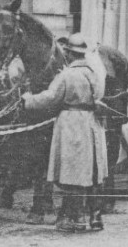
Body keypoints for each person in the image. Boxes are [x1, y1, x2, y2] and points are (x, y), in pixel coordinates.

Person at [22, 34, 107, 232]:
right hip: (91, 123)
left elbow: (51, 98)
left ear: (68, 54)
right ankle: (95, 216)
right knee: (91, 170)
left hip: (71, 124)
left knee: (73, 173)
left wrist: (28, 100)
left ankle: (74, 218)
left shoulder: (66, 75)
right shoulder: (94, 73)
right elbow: (99, 97)